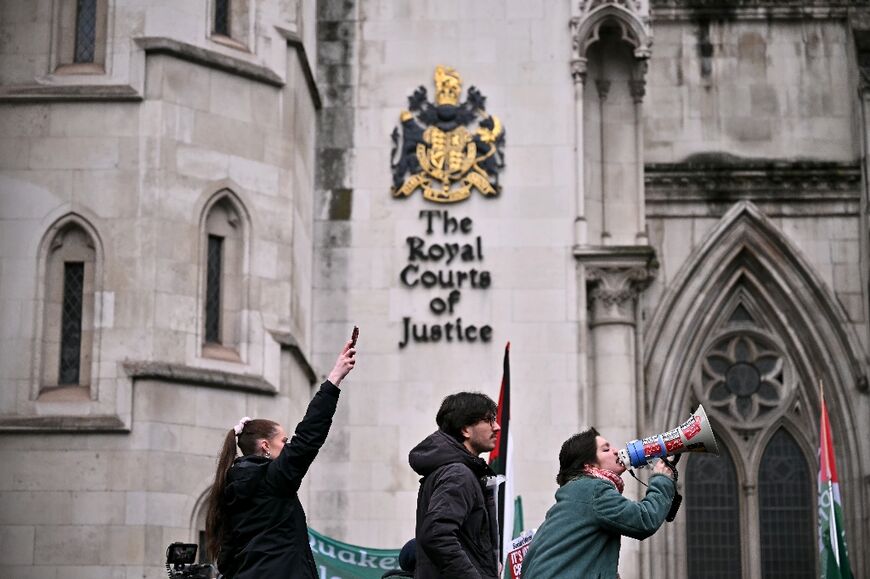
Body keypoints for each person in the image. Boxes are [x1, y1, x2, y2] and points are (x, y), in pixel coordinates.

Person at [204, 340, 356, 579]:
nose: (288, 446)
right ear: (265, 446)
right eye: (284, 441)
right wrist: (334, 379)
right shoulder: (272, 481)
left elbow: (226, 557)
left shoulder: (230, 490)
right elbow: (307, 438)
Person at [520, 427, 676, 579]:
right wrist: (661, 479)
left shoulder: (576, 494)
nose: (616, 451)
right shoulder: (594, 490)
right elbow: (644, 519)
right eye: (606, 450)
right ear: (588, 465)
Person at [409, 392, 502, 579]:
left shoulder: (457, 470)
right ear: (465, 429)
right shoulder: (458, 474)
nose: (497, 427)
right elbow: (436, 535)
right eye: (489, 420)